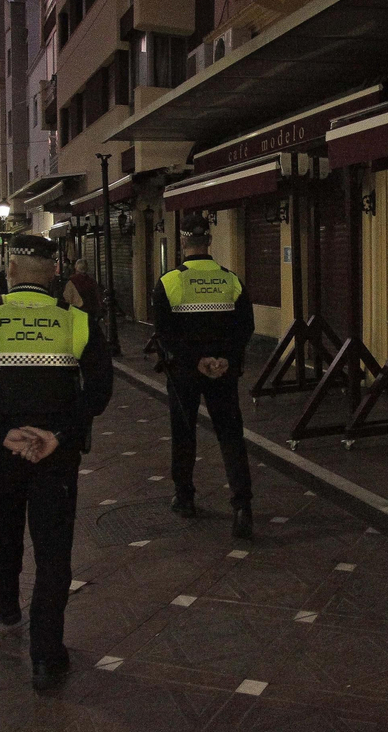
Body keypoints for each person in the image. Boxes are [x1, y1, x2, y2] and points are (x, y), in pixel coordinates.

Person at [0, 235, 114, 691]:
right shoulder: (77, 321)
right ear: (54, 272)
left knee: (2, 534)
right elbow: (98, 392)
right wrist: (58, 436)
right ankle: (46, 656)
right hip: (55, 459)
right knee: (53, 552)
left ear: (11, 269)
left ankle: (4, 597)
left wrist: (0, 432)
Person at [150, 215, 256, 540]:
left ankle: (185, 497)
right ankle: (242, 506)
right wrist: (225, 359)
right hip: (223, 371)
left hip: (184, 373)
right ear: (209, 241)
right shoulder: (231, 280)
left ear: (183, 242)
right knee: (230, 435)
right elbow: (245, 328)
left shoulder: (169, 282)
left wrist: (196, 361)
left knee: (184, 433)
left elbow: (164, 333)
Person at [62, 259, 103, 328]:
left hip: (77, 310)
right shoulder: (92, 281)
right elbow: (97, 295)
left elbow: (67, 297)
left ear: (76, 267)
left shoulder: (72, 281)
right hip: (91, 311)